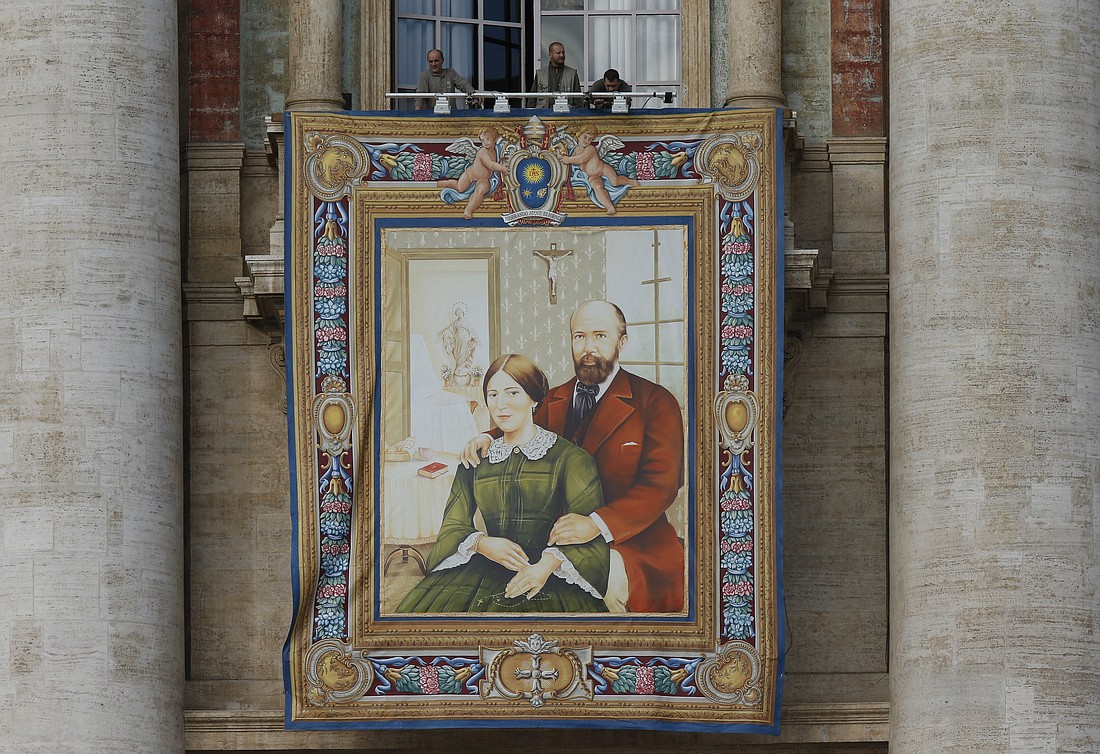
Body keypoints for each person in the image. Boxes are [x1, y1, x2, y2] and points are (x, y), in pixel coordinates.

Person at [461, 301, 686, 613]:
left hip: (629, 543)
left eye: (600, 336)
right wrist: (488, 435)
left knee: (598, 598)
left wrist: (596, 523)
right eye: (579, 337)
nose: (588, 348)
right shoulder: (554, 398)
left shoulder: (655, 402)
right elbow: (523, 422)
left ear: (622, 342)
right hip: (556, 538)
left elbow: (661, 486)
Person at [396, 354, 610, 613]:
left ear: (534, 398)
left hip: (550, 574)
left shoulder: (572, 459)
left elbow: (588, 535)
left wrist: (544, 567)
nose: (501, 405)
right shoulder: (475, 459)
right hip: (480, 567)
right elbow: (452, 527)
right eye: (493, 394)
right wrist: (482, 543)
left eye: (512, 393)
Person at [560, 129, 640, 215]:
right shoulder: (575, 150)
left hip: (603, 169)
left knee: (615, 182)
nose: (587, 141)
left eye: (590, 139)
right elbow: (572, 164)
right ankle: (609, 206)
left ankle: (631, 181)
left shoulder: (590, 148)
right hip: (592, 176)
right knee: (597, 187)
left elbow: (581, 159)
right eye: (585, 137)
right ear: (578, 136)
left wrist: (568, 159)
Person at [436, 126, 507, 219]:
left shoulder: (497, 150)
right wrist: (502, 168)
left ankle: (469, 209)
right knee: (460, 188)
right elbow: (491, 165)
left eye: (487, 139)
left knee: (480, 191)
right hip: (469, 176)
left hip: (484, 179)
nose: (484, 142)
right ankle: (445, 183)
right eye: (482, 140)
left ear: (495, 138)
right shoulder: (483, 152)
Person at [527, 42, 581, 108]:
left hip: (565, 116)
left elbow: (578, 100)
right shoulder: (540, 74)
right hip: (544, 115)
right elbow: (532, 99)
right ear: (550, 55)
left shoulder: (573, 73)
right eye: (558, 53)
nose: (562, 55)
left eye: (563, 52)